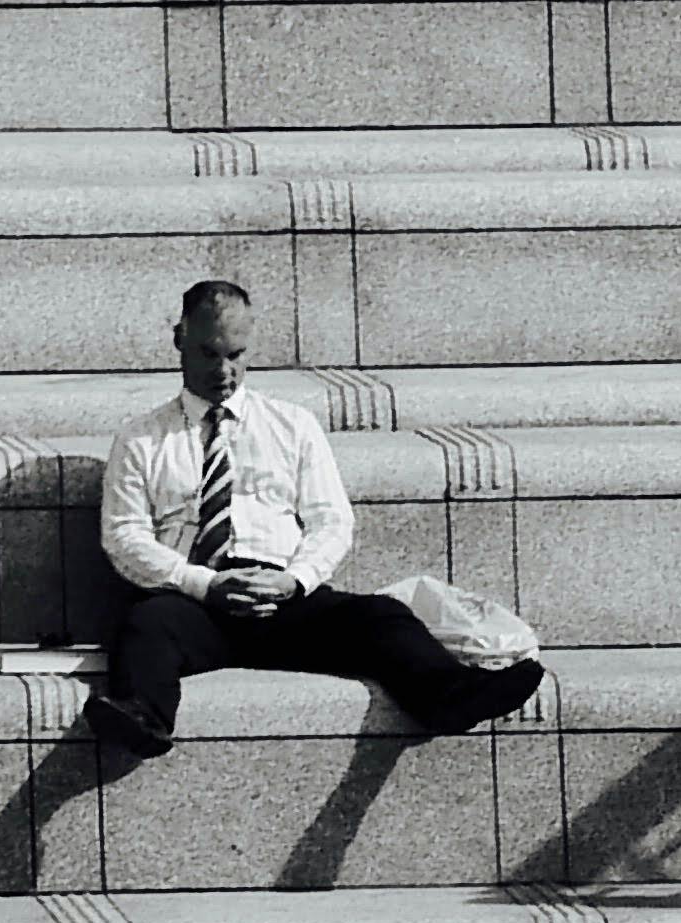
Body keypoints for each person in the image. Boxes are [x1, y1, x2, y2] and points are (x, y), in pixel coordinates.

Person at [82, 279, 547, 757]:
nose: (225, 370)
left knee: (379, 614)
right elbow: (123, 535)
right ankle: (143, 716)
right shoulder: (140, 439)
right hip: (196, 601)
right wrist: (203, 584)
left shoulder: (292, 424)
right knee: (145, 623)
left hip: (284, 598)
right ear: (179, 339)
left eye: (237, 354)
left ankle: (447, 695)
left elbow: (331, 521)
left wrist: (295, 581)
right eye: (208, 354)